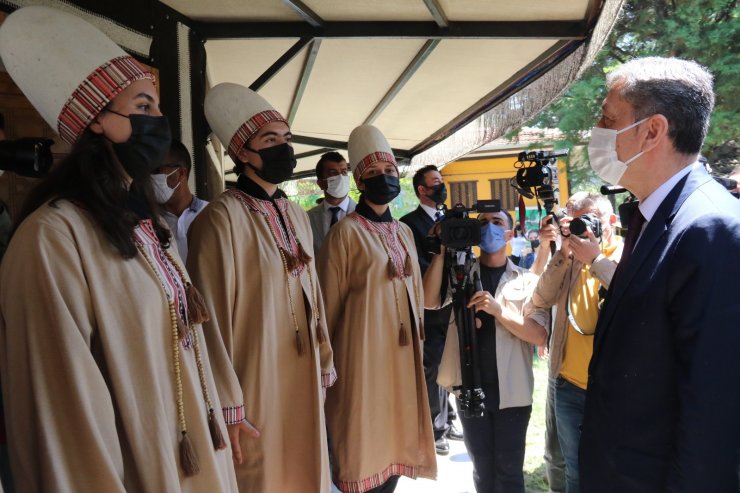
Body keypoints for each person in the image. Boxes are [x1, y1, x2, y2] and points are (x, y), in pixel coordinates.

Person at [0, 6, 244, 491]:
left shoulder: (144, 227)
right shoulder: (54, 238)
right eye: (143, 106)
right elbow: (63, 409)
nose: (161, 119)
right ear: (96, 121)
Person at [579, 57, 740, 492]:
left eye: (608, 118)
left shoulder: (710, 228)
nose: (597, 130)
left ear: (652, 131)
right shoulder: (654, 214)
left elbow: (714, 409)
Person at [188, 82, 335, 492]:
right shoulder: (220, 219)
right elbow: (209, 321)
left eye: (286, 139)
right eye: (270, 140)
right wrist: (227, 404)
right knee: (263, 476)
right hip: (254, 382)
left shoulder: (295, 213)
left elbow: (315, 297)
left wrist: (324, 359)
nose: (283, 149)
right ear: (243, 153)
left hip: (302, 375)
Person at [317, 124, 436, 493]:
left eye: (389, 172)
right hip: (361, 364)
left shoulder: (403, 232)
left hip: (401, 364)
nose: (384, 178)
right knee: (362, 453)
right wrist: (326, 367)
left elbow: (418, 298)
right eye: (373, 173)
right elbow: (327, 309)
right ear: (359, 181)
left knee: (395, 456)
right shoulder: (345, 233)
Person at [425, 209, 549, 493]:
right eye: (482, 223)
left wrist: (498, 311)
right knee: (482, 470)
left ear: (509, 234)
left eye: (497, 223)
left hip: (513, 393)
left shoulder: (527, 280)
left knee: (509, 473)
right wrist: (441, 251)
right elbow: (429, 301)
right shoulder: (460, 275)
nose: (489, 227)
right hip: (470, 388)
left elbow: (538, 334)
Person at [532, 192, 622, 493]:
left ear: (611, 220)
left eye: (590, 218)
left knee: (615, 467)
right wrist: (563, 252)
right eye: (578, 219)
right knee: (575, 470)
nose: (584, 226)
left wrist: (595, 259)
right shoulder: (569, 258)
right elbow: (540, 298)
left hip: (613, 389)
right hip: (569, 385)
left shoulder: (627, 253)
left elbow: (634, 298)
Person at [399, 165, 462, 456]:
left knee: (451, 362)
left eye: (442, 181)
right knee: (433, 366)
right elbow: (415, 268)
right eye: (435, 183)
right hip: (428, 307)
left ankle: (449, 417)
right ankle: (436, 429)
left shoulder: (451, 219)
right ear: (422, 190)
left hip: (456, 303)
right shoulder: (408, 224)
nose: (441, 186)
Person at [151, 140, 208, 261]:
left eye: (157, 170)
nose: (151, 177)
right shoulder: (149, 221)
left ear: (181, 173)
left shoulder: (210, 214)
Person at [307, 151, 356, 254]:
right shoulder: (308, 218)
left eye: (344, 172)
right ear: (320, 183)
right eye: (333, 173)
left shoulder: (364, 214)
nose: (341, 177)